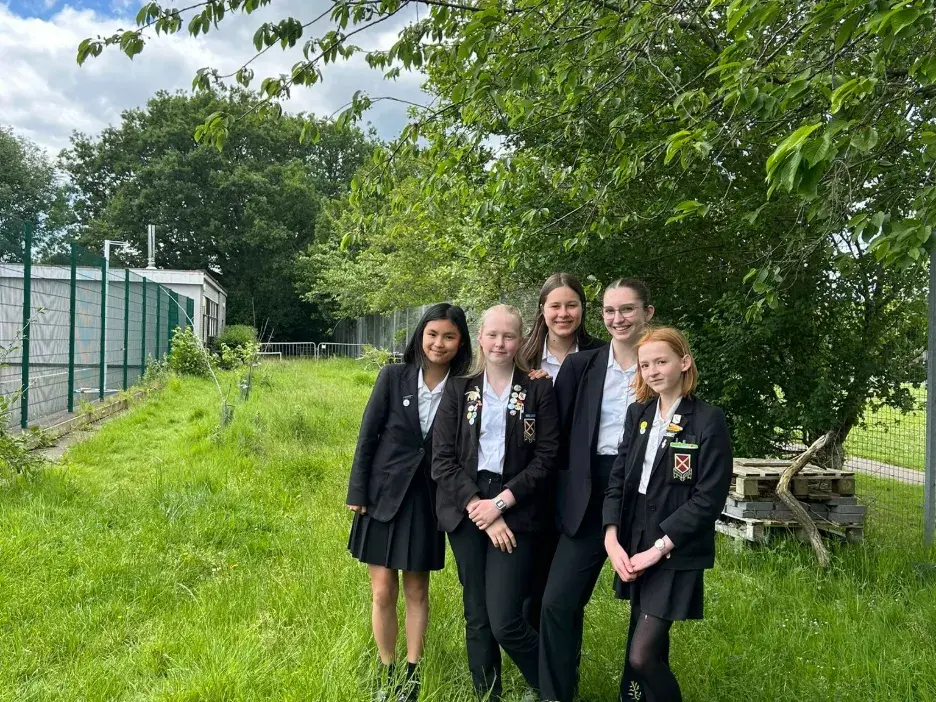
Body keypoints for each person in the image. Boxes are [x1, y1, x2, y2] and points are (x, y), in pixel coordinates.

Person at [432, 304, 559, 701]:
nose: (500, 343)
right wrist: (479, 507)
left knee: (505, 619)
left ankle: (555, 686)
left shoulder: (539, 388)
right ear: (481, 337)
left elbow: (547, 457)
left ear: (520, 339)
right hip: (466, 503)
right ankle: (488, 694)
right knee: (478, 616)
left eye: (509, 335)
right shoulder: (459, 389)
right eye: (493, 335)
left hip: (516, 504)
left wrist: (500, 506)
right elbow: (441, 460)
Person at [346, 303, 472, 702]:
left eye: (449, 336)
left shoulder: (466, 387)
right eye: (433, 334)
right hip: (383, 496)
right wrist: (358, 492)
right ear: (420, 335)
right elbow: (368, 436)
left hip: (428, 500)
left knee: (417, 589)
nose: (439, 343)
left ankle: (413, 676)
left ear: (460, 342)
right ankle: (387, 670)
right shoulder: (393, 377)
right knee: (383, 591)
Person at [538, 278, 655, 702]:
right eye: (609, 310)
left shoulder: (659, 365)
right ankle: (555, 694)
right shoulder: (581, 366)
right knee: (557, 602)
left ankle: (635, 694)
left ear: (647, 314)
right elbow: (556, 436)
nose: (617, 318)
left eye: (627, 309)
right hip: (588, 495)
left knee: (645, 611)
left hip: (644, 495)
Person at [603, 327, 733, 702]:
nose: (653, 371)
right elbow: (618, 481)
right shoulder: (638, 414)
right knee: (645, 639)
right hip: (634, 537)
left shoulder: (707, 420)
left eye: (661, 361)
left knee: (642, 656)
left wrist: (659, 548)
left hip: (674, 546)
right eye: (645, 365)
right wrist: (612, 538)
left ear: (684, 362)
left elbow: (708, 498)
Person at [519, 272, 606, 632]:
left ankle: (560, 670)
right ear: (542, 309)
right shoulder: (522, 356)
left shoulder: (601, 354)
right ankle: (535, 665)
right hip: (528, 476)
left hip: (577, 479)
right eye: (555, 305)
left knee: (565, 588)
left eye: (572, 305)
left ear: (583, 309)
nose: (564, 313)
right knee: (528, 579)